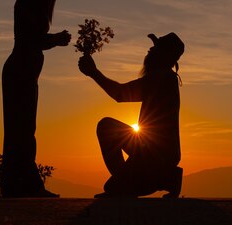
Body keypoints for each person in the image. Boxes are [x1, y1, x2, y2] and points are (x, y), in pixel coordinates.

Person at [78, 32, 185, 198]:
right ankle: (167, 178)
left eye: (155, 48)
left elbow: (120, 94)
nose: (149, 50)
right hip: (156, 152)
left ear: (163, 55)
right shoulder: (165, 78)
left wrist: (93, 72)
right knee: (113, 187)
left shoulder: (161, 77)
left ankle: (149, 179)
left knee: (106, 127)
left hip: (154, 155)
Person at [1, 0, 71, 198]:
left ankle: (17, 184)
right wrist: (57, 39)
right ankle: (25, 185)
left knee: (23, 129)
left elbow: (37, 40)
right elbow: (32, 40)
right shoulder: (25, 8)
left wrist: (54, 39)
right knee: (20, 130)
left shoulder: (34, 9)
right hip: (19, 72)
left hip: (27, 74)